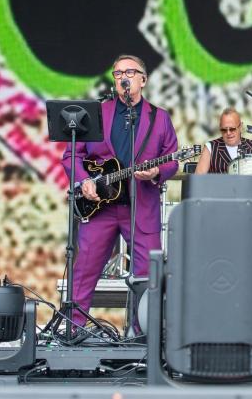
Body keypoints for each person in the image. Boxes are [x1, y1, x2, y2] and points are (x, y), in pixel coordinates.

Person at [63, 54, 179, 330]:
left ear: (143, 79)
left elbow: (172, 159)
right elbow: (71, 155)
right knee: (84, 271)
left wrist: (156, 173)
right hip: (100, 207)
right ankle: (73, 330)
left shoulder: (159, 118)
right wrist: (83, 181)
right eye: (117, 74)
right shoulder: (96, 113)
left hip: (141, 206)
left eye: (129, 72)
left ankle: (141, 338)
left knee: (147, 276)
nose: (123, 77)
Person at [193, 107, 252, 174]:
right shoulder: (210, 147)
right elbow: (198, 179)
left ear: (241, 127)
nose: (228, 133)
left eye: (232, 129)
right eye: (224, 130)